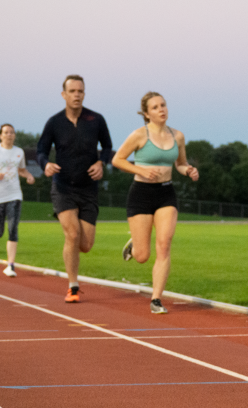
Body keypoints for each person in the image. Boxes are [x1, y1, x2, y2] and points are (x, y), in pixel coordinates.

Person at [112, 92, 199, 314]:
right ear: (146, 113)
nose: (162, 109)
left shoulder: (177, 136)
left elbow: (180, 163)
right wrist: (141, 169)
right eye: (155, 107)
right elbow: (117, 160)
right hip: (140, 193)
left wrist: (187, 170)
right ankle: (135, 242)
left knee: (164, 244)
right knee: (142, 256)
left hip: (165, 193)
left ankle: (156, 299)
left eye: (164, 105)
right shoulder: (139, 135)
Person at [37, 74, 113, 303]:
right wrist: (46, 164)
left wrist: (102, 162)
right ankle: (73, 286)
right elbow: (41, 150)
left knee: (86, 245)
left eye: (80, 91)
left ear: (84, 94)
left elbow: (107, 146)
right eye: (72, 91)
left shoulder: (96, 120)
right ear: (64, 95)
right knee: (71, 234)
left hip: (89, 188)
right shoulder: (54, 122)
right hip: (63, 187)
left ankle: (73, 271)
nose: (77, 95)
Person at [0, 124, 36, 277]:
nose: (9, 135)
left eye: (12, 132)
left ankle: (10, 265)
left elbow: (21, 169)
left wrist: (29, 176)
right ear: (0, 135)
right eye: (6, 132)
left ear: (15, 135)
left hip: (14, 195)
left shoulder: (19, 152)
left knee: (13, 228)